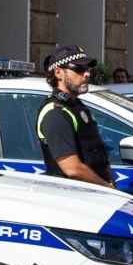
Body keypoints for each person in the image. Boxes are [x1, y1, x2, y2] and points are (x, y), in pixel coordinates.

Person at [36, 45, 113, 187]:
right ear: (58, 73)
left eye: (88, 69)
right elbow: (72, 169)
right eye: (79, 69)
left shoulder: (76, 106)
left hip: (94, 194)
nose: (87, 74)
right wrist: (107, 187)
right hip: (73, 198)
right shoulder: (55, 113)